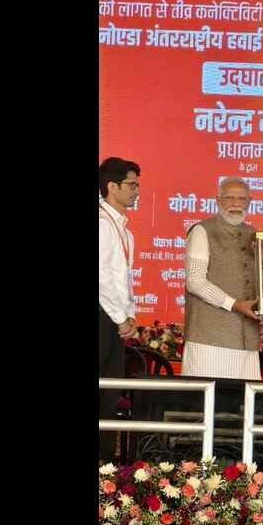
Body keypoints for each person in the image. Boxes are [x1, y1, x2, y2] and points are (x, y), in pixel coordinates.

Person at [182, 177, 263, 380]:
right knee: (208, 396)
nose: (236, 203)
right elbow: (195, 281)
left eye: (242, 198)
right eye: (229, 198)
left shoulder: (254, 234)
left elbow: (258, 282)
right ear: (217, 200)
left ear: (250, 202)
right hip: (209, 337)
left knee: (244, 397)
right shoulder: (202, 230)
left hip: (247, 338)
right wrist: (234, 304)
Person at [99, 157, 141, 464]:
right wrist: (119, 318)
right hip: (103, 316)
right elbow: (101, 279)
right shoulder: (102, 225)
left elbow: (123, 280)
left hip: (113, 319)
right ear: (111, 186)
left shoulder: (125, 231)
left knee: (109, 394)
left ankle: (104, 468)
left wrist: (131, 315)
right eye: (131, 184)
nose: (136, 190)